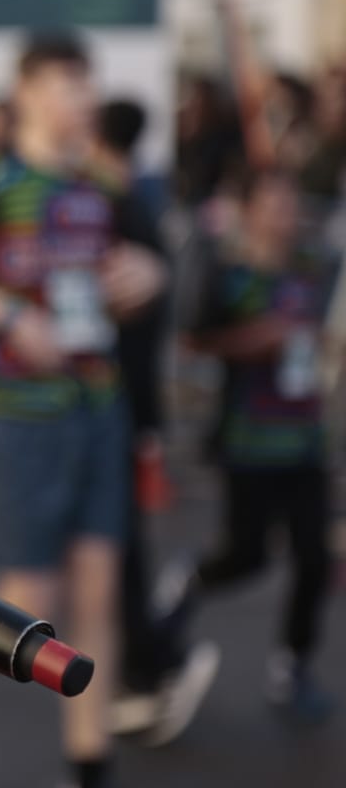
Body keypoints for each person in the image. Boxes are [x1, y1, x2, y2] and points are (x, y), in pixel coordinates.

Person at [0, 35, 165, 788]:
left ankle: (90, 767)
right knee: (31, 594)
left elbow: (155, 264)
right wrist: (7, 317)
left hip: (99, 408)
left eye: (87, 86)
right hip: (20, 416)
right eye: (67, 86)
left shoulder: (109, 188)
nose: (82, 101)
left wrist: (151, 269)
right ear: (29, 96)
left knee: (99, 592)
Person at [172, 168, 337, 725]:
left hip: (305, 438)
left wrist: (322, 346)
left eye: (291, 204)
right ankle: (189, 581)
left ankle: (292, 664)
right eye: (272, 205)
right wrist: (256, 339)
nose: (284, 216)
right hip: (246, 441)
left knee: (315, 557)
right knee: (248, 555)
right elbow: (193, 342)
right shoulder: (228, 273)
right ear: (247, 211)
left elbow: (325, 332)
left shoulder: (316, 269)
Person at [86, 100, 221, 745]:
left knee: (115, 546)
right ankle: (146, 665)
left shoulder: (112, 202)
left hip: (114, 401)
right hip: (123, 401)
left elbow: (136, 306)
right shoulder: (138, 196)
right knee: (110, 546)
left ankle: (153, 661)